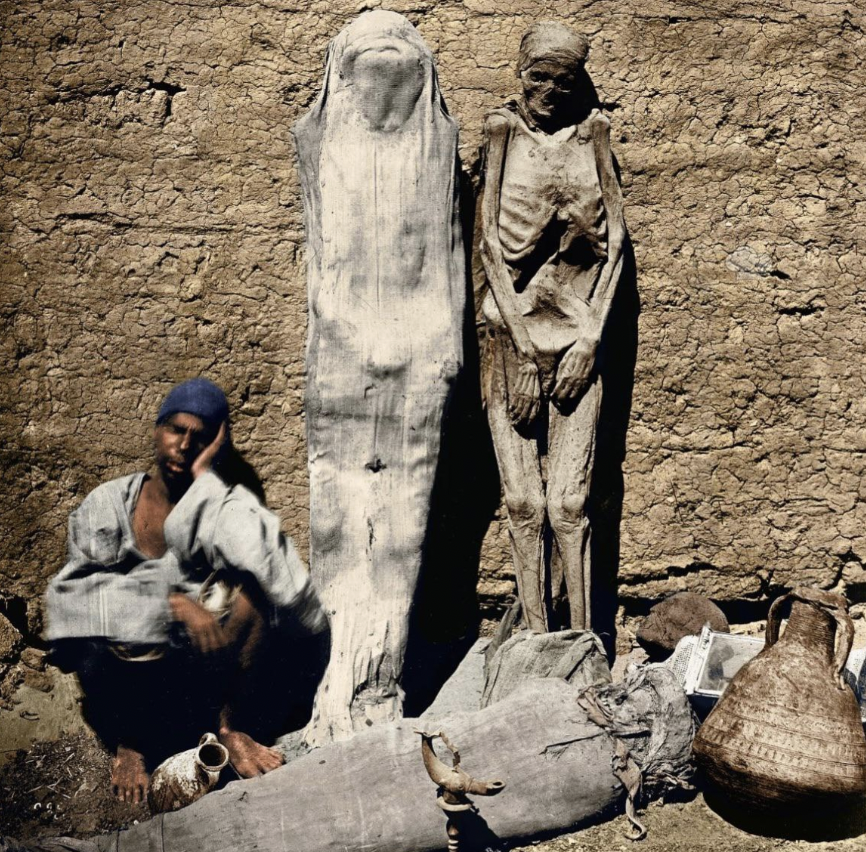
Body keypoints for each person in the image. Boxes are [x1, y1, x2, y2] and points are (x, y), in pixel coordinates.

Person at [46, 378, 326, 803]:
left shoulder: (219, 509)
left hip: (191, 665)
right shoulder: (106, 506)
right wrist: (170, 604)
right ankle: (132, 743)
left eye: (201, 438)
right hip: (122, 665)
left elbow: (288, 590)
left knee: (252, 596)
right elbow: (73, 603)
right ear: (158, 430)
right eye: (176, 430)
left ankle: (230, 727)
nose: (183, 445)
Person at [479, 22, 626, 633]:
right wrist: (517, 349)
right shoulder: (502, 132)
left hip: (576, 340)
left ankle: (583, 644)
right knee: (523, 504)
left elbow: (615, 242)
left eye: (563, 81)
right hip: (509, 337)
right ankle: (533, 644)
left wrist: (591, 339)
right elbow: (488, 245)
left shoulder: (595, 135)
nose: (549, 91)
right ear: (520, 74)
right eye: (538, 77)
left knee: (569, 505)